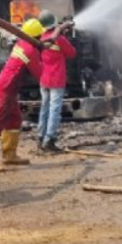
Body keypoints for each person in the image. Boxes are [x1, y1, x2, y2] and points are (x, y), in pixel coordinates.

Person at [0, 18, 44, 172]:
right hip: (6, 87)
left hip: (9, 86)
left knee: (14, 119)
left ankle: (9, 155)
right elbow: (39, 73)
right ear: (37, 36)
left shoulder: (23, 44)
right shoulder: (31, 50)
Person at [37, 11, 76, 153]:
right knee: (54, 110)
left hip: (44, 79)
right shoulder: (59, 39)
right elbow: (72, 53)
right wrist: (64, 35)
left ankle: (40, 138)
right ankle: (50, 140)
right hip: (57, 79)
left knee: (44, 109)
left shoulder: (42, 37)